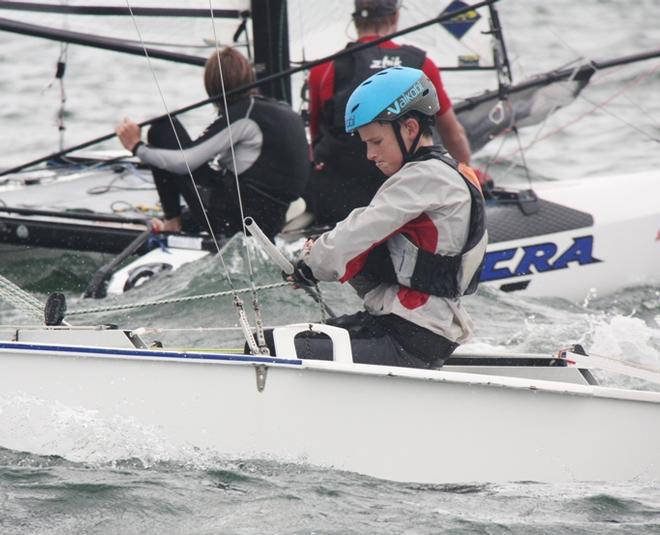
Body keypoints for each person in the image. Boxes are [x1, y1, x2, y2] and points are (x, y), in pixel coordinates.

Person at [276, 66, 487, 369]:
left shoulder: (424, 177)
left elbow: (357, 231)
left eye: (375, 142)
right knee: (290, 338)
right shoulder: (449, 172)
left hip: (408, 336)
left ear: (410, 129)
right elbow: (387, 265)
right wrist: (322, 264)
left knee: (269, 345)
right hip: (414, 331)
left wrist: (311, 263)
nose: (369, 154)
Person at [303, 0, 473, 225]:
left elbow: (315, 139)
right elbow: (453, 134)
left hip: (338, 200)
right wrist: (469, 182)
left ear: (355, 20)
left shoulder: (322, 70)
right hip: (406, 199)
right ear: (395, 17)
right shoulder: (421, 65)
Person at [115, 47, 309, 239]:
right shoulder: (283, 109)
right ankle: (182, 221)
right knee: (223, 186)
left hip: (240, 223)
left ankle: (172, 222)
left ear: (212, 88)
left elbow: (185, 162)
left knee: (162, 128)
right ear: (250, 77)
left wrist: (136, 146)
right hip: (271, 221)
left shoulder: (245, 112)